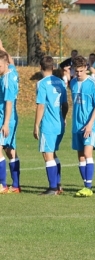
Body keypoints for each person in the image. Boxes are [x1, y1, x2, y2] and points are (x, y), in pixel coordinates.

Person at [33, 56, 68, 195]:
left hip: (48, 124)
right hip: (59, 123)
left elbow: (41, 105)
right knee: (52, 153)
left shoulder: (41, 84)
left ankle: (53, 188)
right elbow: (65, 104)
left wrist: (36, 125)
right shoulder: (60, 82)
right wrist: (63, 118)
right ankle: (58, 185)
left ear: (41, 68)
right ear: (53, 67)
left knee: (47, 155)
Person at [70, 55, 95, 197]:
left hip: (90, 124)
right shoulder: (72, 83)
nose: (79, 74)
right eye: (76, 71)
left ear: (86, 69)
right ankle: (85, 185)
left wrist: (90, 124)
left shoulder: (94, 83)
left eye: (81, 71)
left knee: (88, 153)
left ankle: (88, 187)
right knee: (81, 156)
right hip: (77, 125)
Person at [0, 43, 21, 194]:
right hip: (11, 118)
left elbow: (9, 103)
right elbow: (12, 62)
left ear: (4, 63)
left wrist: (5, 124)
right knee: (10, 151)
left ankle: (2, 185)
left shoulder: (7, 81)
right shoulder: (12, 71)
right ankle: (16, 185)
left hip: (5, 119)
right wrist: (2, 47)